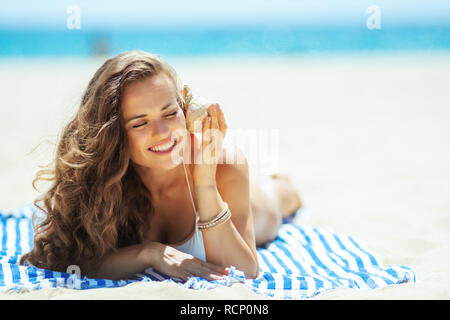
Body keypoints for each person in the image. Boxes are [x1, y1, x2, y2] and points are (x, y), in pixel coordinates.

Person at [20, 50, 302, 281]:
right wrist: (151, 253)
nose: (163, 132)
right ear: (111, 133)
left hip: (250, 203)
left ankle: (281, 185)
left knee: (273, 205)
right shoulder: (99, 178)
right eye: (140, 122)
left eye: (170, 113)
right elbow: (67, 259)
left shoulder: (223, 163)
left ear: (184, 109)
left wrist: (204, 182)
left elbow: (244, 272)